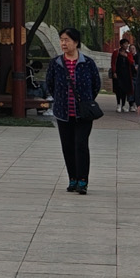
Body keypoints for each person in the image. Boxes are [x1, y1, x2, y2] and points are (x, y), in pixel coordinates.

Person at [43, 28, 100, 193]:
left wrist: (86, 102)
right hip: (63, 113)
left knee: (81, 144)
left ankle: (83, 181)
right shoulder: (56, 63)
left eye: (67, 40)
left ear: (76, 42)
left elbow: (96, 84)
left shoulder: (87, 63)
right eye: (61, 39)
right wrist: (60, 100)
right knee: (67, 146)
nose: (63, 43)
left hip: (84, 113)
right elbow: (50, 84)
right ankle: (72, 178)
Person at [110, 32, 137, 117]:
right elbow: (113, 63)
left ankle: (123, 105)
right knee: (118, 89)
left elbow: (131, 62)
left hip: (126, 74)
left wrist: (126, 56)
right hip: (118, 74)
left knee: (125, 90)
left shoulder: (128, 54)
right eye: (125, 44)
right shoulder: (116, 53)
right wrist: (114, 72)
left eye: (127, 44)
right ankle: (118, 104)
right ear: (121, 45)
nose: (126, 46)